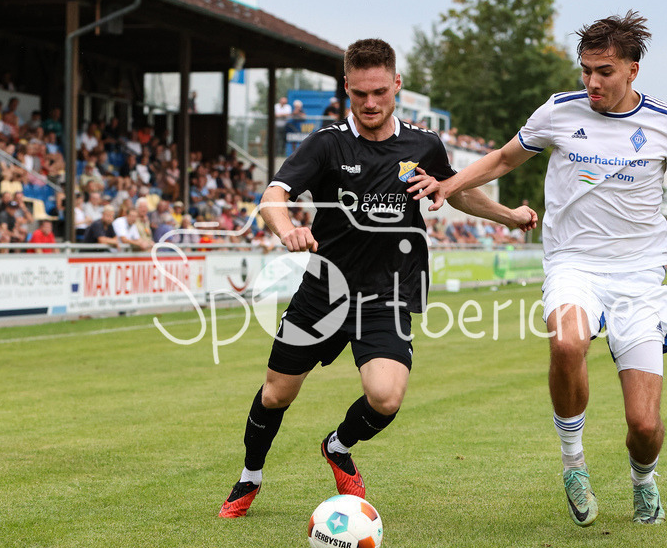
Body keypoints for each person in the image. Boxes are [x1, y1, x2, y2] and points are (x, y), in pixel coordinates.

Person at [409, 11, 667, 526]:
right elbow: (502, 159)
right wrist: (447, 185)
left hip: (639, 275)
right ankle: (573, 464)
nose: (592, 82)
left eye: (604, 71)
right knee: (567, 343)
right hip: (573, 264)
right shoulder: (559, 112)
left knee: (644, 425)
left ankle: (643, 479)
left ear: (632, 70)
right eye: (586, 70)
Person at [218, 38, 538, 518]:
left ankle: (338, 445)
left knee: (386, 398)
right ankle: (250, 476)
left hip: (386, 296)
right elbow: (274, 195)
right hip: (324, 293)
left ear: (397, 85)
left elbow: (453, 191)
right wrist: (286, 230)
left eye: (380, 92)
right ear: (346, 87)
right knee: (276, 393)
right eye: (360, 93)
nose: (370, 103)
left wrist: (508, 216)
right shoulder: (327, 143)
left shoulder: (423, 144)